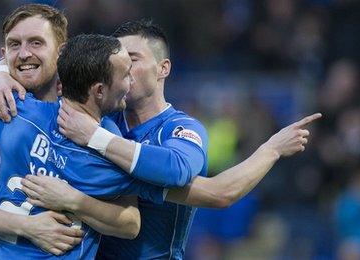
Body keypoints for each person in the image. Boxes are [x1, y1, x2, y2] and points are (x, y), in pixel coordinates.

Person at [17, 20, 321, 259]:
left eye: (132, 59)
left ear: (164, 68)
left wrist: (271, 149)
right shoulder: (99, 117)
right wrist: (1, 72)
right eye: (116, 61)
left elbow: (185, 175)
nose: (123, 69)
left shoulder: (180, 129)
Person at [0, 4, 141, 258]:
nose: (24, 54)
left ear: (62, 53)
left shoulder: (101, 124)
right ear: (4, 53)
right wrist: (30, 227)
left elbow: (130, 222)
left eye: (36, 43)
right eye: (14, 46)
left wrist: (73, 201)